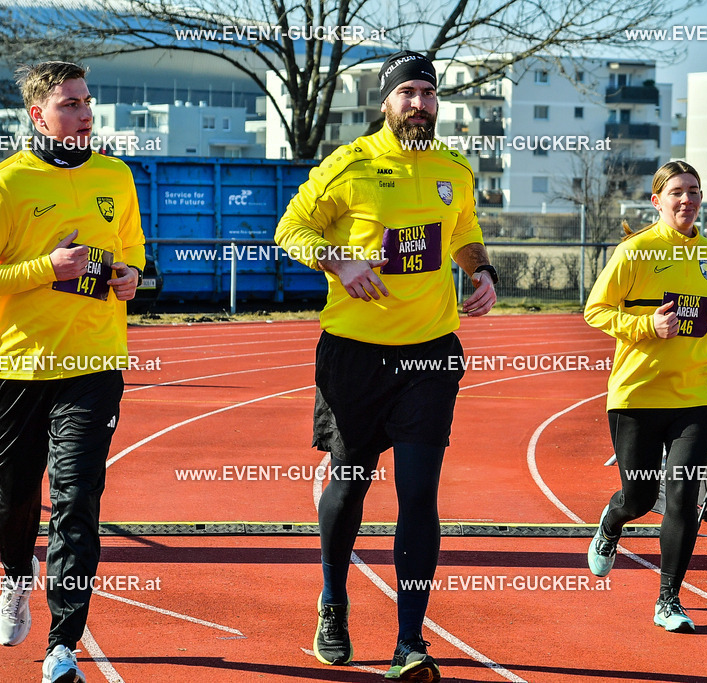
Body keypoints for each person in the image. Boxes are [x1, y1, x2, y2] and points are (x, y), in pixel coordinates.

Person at [275, 50, 497, 682]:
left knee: (419, 495)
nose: (421, 103)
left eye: (429, 92)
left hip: (429, 352)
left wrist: (478, 270)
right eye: (409, 93)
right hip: (355, 356)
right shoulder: (349, 165)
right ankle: (334, 600)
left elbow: (463, 232)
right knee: (348, 486)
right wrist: (340, 262)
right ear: (386, 102)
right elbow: (290, 231)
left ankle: (409, 641)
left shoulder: (455, 167)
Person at [0, 61, 145, 683]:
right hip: (19, 366)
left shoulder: (116, 174)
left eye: (88, 101)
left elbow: (135, 254)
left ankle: (63, 643)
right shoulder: (5, 185)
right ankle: (14, 578)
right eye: (70, 104)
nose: (85, 114)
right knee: (17, 496)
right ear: (38, 115)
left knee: (78, 496)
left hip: (95, 362)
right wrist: (45, 268)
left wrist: (132, 277)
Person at [583, 161, 707, 633]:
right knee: (640, 496)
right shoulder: (634, 252)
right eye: (676, 192)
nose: (686, 200)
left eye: (693, 191)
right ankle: (613, 522)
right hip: (638, 393)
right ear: (657, 201)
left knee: (684, 494)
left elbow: (699, 317)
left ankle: (668, 599)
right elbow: (594, 309)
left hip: (695, 391)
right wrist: (645, 325)